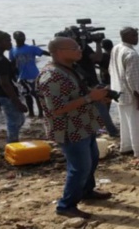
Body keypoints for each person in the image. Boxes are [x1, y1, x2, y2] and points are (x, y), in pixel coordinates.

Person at [36, 37, 112, 219]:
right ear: (60, 52)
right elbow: (55, 109)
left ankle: (87, 191)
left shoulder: (69, 69)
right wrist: (89, 98)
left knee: (92, 159)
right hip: (69, 129)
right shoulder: (52, 76)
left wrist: (97, 95)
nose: (80, 50)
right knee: (79, 167)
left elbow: (77, 93)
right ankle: (66, 205)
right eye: (75, 48)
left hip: (84, 125)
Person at [109, 27, 139, 159]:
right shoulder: (131, 54)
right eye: (133, 36)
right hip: (131, 94)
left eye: (137, 35)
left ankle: (126, 147)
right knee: (137, 123)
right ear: (125, 36)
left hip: (119, 92)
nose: (136, 38)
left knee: (125, 123)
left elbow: (111, 69)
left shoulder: (116, 48)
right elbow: (132, 78)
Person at [0, 30, 27, 143]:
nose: (10, 43)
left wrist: (11, 67)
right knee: (15, 121)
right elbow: (5, 84)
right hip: (5, 95)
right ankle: (12, 144)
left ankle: (12, 142)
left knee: (19, 119)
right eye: (7, 41)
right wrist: (18, 102)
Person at [9, 31, 50, 118]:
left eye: (23, 38)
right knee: (26, 95)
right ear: (15, 39)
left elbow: (44, 53)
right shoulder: (12, 50)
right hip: (22, 77)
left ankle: (41, 113)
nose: (21, 40)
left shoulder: (31, 48)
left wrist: (55, 55)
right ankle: (31, 113)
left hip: (34, 75)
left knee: (37, 95)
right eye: (19, 38)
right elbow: (12, 64)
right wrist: (12, 75)